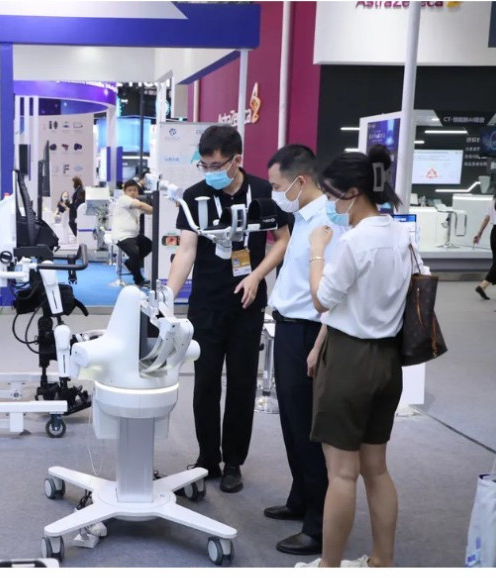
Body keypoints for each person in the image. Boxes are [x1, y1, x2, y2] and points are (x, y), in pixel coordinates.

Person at [298, 145, 412, 568]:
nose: (330, 203)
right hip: (387, 360)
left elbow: (322, 299)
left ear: (352, 192)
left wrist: (316, 251)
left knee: (341, 474)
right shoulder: (399, 234)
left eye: (332, 194)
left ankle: (329, 567)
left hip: (349, 362)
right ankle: (383, 560)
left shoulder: (354, 242)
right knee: (376, 469)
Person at [166, 125, 290, 493]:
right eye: (205, 165)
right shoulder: (194, 196)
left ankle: (234, 460)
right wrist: (167, 298)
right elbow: (186, 251)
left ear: (238, 159)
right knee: (204, 383)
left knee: (240, 383)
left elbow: (282, 240)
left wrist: (257, 276)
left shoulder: (265, 192)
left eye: (218, 164)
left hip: (247, 304)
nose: (211, 172)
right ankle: (208, 458)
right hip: (206, 303)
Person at [265, 145, 341, 556]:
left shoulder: (327, 221)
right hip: (288, 327)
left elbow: (332, 290)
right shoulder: (301, 216)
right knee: (292, 423)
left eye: (278, 186)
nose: (276, 193)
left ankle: (318, 525)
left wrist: (319, 341)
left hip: (308, 331)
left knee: (309, 429)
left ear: (301, 181)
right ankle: (300, 499)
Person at [114, 179, 154, 287]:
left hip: (134, 236)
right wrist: (156, 209)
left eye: (135, 190)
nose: (132, 192)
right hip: (122, 236)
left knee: (150, 245)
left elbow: (147, 210)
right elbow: (142, 206)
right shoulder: (124, 199)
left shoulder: (136, 202)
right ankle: (138, 280)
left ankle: (130, 263)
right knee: (134, 252)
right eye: (130, 190)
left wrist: (157, 209)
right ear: (125, 191)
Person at [472, 193, 496, 300]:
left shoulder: (492, 202)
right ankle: (482, 285)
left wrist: (478, 234)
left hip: (494, 233)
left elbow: (486, 219)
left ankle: (483, 286)